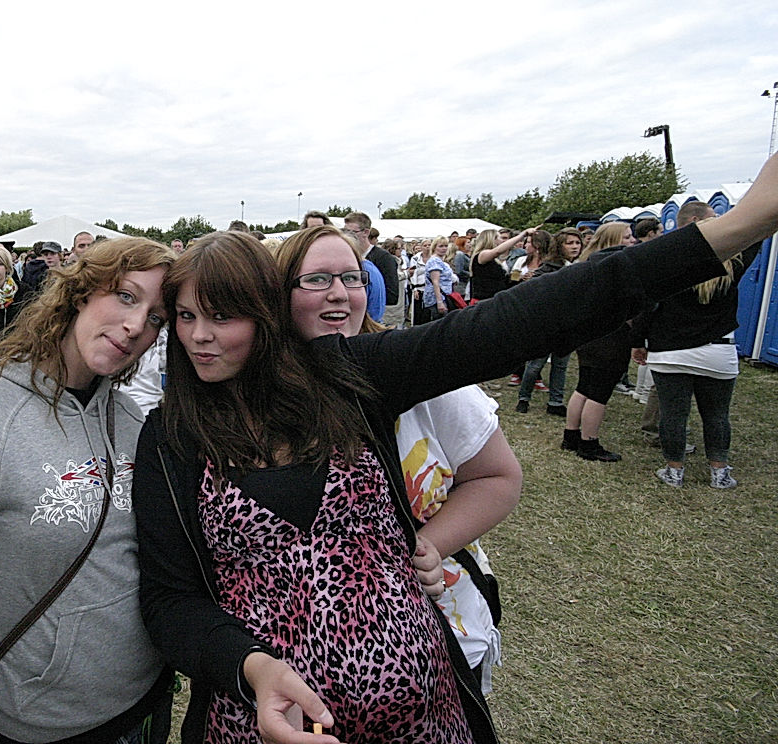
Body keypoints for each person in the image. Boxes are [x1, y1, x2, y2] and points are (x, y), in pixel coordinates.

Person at [131, 153, 778, 744]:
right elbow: (170, 601)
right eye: (186, 317)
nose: (200, 338)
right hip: (260, 726)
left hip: (424, 712)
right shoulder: (172, 438)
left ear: (266, 317)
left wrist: (736, 227)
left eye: (222, 316)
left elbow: (523, 317)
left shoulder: (351, 377)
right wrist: (254, 670)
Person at [0, 237, 177, 744]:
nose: (137, 326)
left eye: (157, 317)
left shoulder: (134, 421)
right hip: (36, 720)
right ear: (81, 292)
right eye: (127, 297)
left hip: (146, 706)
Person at [276, 224, 519, 695]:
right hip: (306, 660)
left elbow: (498, 476)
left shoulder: (421, 373)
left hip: (435, 635)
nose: (340, 294)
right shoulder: (267, 390)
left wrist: (429, 545)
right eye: (317, 280)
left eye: (352, 278)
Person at [632, 202, 761, 489]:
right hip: (718, 350)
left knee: (674, 414)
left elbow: (648, 305)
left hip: (670, 350)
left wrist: (637, 342)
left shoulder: (667, 263)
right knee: (716, 415)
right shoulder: (733, 266)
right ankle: (720, 472)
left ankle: (674, 470)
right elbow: (754, 233)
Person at [562, 222, 637, 462]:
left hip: (588, 335)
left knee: (584, 385)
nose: (632, 240)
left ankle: (571, 435)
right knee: (600, 391)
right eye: (627, 237)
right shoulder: (616, 268)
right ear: (614, 241)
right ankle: (589, 443)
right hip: (611, 335)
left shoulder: (587, 263)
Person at [516, 228, 583, 415]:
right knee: (535, 364)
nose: (575, 246)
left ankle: (555, 402)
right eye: (570, 243)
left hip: (568, 324)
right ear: (559, 245)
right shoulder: (549, 268)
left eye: (577, 243)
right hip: (547, 323)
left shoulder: (580, 265)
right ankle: (524, 398)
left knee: (560, 365)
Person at [422, 235, 457, 323]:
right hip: (437, 298)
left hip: (445, 295)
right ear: (434, 247)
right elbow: (435, 282)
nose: (444, 248)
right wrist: (439, 301)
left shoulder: (440, 261)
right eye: (441, 246)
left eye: (445, 246)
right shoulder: (434, 261)